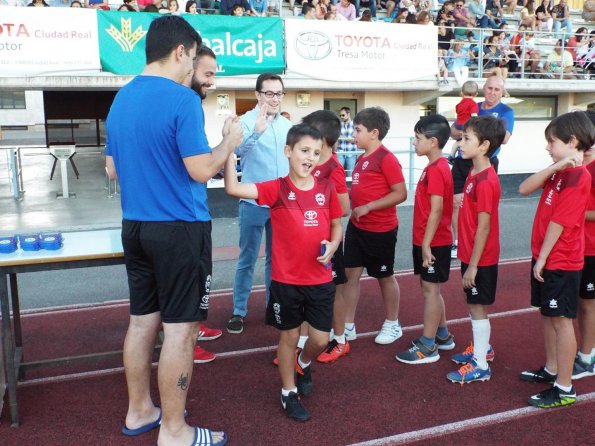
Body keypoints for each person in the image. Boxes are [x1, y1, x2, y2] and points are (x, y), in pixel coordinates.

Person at [105, 16, 243, 446]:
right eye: (193, 62)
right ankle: (174, 430)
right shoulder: (182, 100)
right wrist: (229, 142)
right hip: (179, 229)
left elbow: (111, 168)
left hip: (136, 225)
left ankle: (139, 411)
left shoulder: (121, 98)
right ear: (181, 52)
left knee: (142, 322)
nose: (193, 73)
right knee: (181, 329)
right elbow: (201, 170)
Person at [223, 124, 343, 421]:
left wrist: (334, 245)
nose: (310, 158)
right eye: (304, 151)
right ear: (288, 152)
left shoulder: (326, 189)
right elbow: (233, 188)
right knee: (289, 336)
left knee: (319, 339)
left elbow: (337, 225)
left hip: (320, 280)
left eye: (316, 153)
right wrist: (228, 149)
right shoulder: (276, 188)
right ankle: (289, 392)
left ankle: (303, 362)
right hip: (286, 281)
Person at [518, 111, 594, 408]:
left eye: (552, 142)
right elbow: (524, 188)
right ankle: (551, 370)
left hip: (560, 260)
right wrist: (557, 164)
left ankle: (565, 388)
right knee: (547, 316)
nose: (548, 147)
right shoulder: (561, 170)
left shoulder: (579, 177)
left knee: (562, 321)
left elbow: (559, 223)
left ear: (572, 141)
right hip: (547, 257)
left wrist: (542, 259)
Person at [227, 73, 292, 335]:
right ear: (258, 95)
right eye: (269, 93)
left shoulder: (288, 126)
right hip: (253, 201)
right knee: (247, 258)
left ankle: (271, 306)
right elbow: (236, 152)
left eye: (278, 93)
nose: (274, 99)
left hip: (281, 203)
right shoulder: (244, 122)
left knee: (275, 260)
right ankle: (238, 311)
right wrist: (255, 133)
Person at [446, 115, 505, 384]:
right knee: (473, 306)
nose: (461, 142)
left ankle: (481, 364)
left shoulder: (486, 181)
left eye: (467, 138)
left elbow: (484, 227)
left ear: (484, 146)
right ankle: (484, 350)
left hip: (480, 258)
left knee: (477, 307)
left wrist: (473, 265)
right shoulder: (473, 172)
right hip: (470, 254)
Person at [343, 107, 407, 346]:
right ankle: (347, 326)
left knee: (384, 276)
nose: (354, 134)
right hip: (357, 226)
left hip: (380, 230)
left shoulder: (386, 158)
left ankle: (393, 324)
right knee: (351, 275)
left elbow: (400, 193)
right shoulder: (361, 159)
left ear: (374, 133)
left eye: (358, 130)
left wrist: (369, 207)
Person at [395, 115, 455, 364]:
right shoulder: (433, 168)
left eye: (418, 139)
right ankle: (442, 335)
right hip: (427, 239)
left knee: (431, 291)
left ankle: (428, 346)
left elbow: (437, 209)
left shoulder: (438, 169)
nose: (414, 143)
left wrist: (428, 243)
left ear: (432, 142)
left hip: (434, 241)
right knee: (430, 289)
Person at [300, 111, 351, 364]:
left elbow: (344, 206)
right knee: (304, 291)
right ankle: (302, 343)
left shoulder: (333, 169)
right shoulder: (307, 164)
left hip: (327, 241)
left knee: (334, 290)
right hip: (305, 241)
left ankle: (340, 340)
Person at [450, 74, 514, 260]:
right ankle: (458, 242)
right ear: (483, 89)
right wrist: (466, 134)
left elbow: (505, 138)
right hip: (463, 160)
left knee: (479, 207)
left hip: (485, 163)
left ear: (502, 92)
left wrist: (472, 133)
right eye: (489, 88)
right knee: (455, 202)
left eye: (497, 89)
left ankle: (477, 243)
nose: (492, 93)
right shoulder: (472, 105)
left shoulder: (506, 111)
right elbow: (454, 131)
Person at [572, 110, 595, 380]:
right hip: (577, 245)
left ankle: (587, 357)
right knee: (582, 303)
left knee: (588, 305)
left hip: (591, 246)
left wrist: (574, 212)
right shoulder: (577, 165)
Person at [449, 80, 479, 160]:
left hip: (457, 125)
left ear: (462, 92)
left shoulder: (459, 104)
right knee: (466, 140)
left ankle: (451, 156)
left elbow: (458, 112)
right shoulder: (473, 104)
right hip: (466, 125)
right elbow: (474, 117)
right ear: (476, 94)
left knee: (458, 141)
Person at [337, 106, 357, 177]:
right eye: (340, 115)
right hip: (340, 152)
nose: (341, 117)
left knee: (350, 174)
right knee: (338, 172)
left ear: (348, 114)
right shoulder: (340, 126)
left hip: (351, 153)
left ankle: (350, 188)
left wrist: (344, 138)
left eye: (343, 115)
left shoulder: (355, 125)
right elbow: (337, 138)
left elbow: (356, 141)